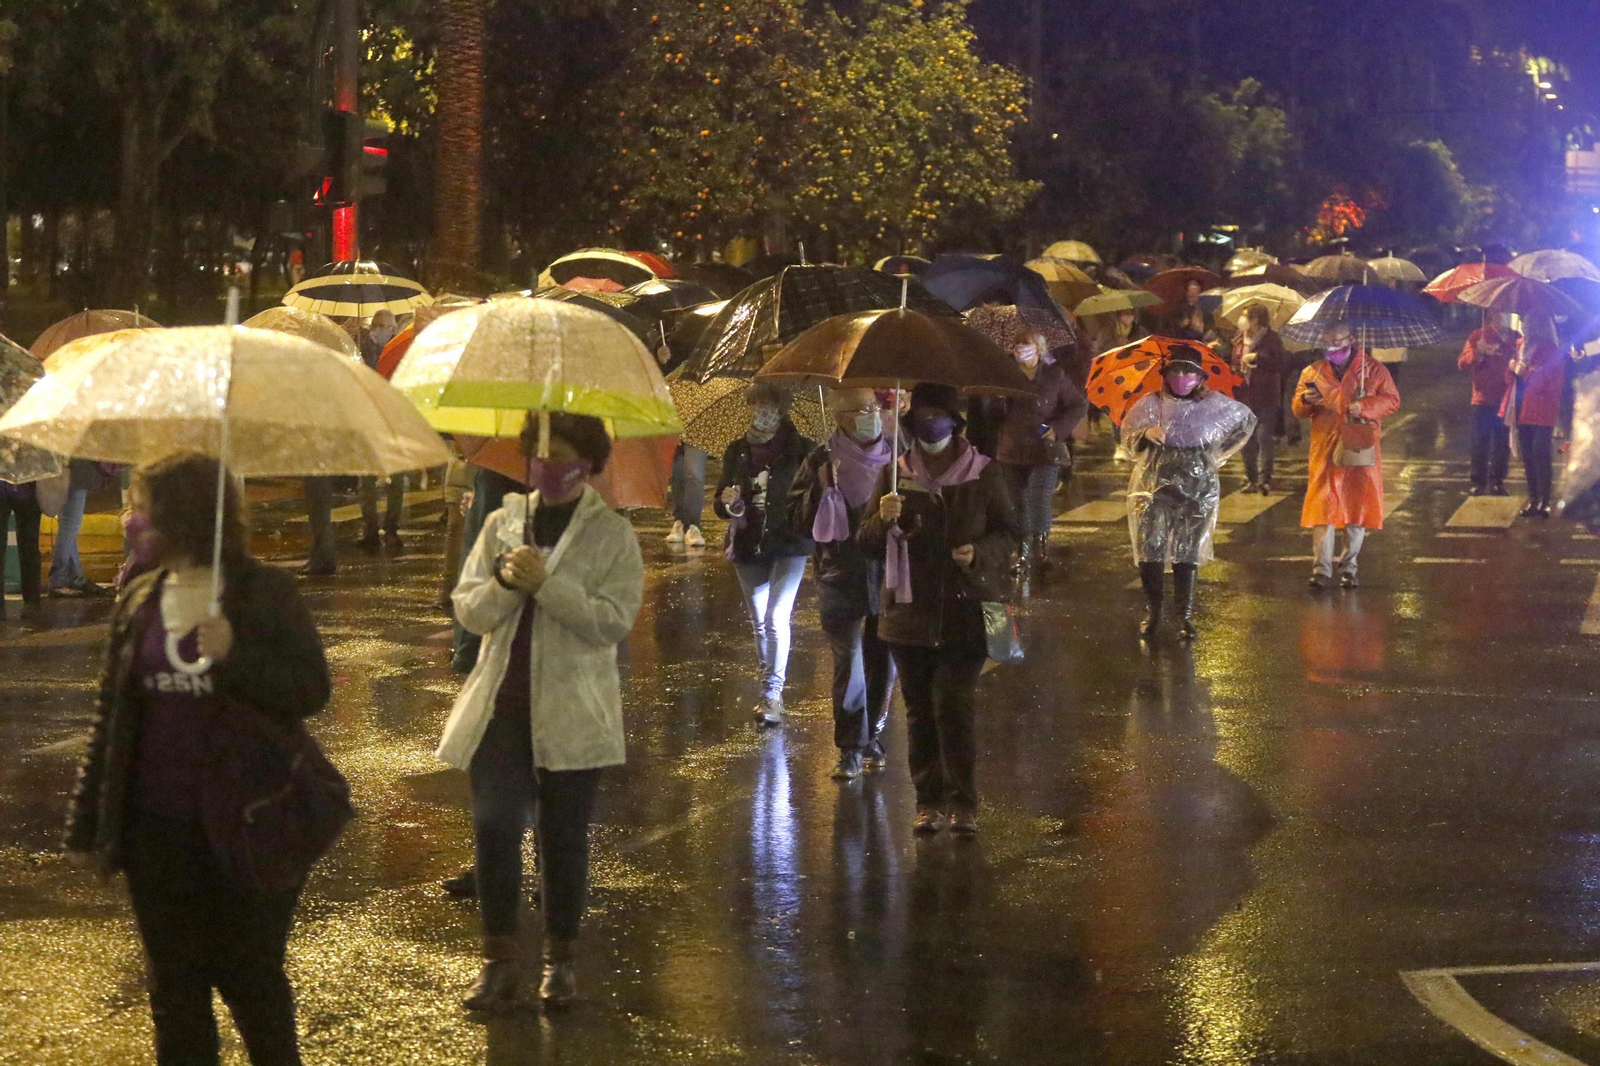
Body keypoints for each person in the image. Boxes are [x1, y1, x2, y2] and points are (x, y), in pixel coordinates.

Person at [64, 452, 331, 1066]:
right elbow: (113, 716)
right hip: (156, 833)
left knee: (251, 981)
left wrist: (236, 653)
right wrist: (89, 824)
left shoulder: (265, 592)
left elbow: (310, 689)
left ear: (182, 517)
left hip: (247, 823)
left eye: (143, 510)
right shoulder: (138, 598)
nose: (132, 521)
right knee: (175, 993)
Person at [438, 412, 643, 1011]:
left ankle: (561, 962)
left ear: (590, 463)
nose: (551, 468)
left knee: (564, 838)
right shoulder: (503, 522)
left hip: (573, 711)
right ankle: (498, 962)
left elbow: (611, 622)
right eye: (542, 455)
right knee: (494, 826)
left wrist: (546, 583)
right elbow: (469, 611)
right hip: (501, 709)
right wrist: (506, 580)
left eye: (567, 457)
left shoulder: (612, 535)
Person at [857, 384, 1020, 835]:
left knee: (953, 702)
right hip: (907, 613)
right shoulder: (895, 474)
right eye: (922, 415)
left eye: (939, 415)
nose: (931, 423)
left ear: (955, 422)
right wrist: (882, 518)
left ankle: (963, 802)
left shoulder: (984, 473)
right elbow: (866, 544)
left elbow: (1010, 531)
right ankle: (927, 801)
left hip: (966, 607)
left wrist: (978, 553)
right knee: (920, 709)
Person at [787, 388, 897, 780]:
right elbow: (798, 522)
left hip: (888, 576)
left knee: (882, 660)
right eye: (862, 409)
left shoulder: (896, 458)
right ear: (842, 417)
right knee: (848, 662)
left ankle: (874, 734)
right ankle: (850, 745)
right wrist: (821, 491)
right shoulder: (821, 459)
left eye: (875, 408)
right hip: (840, 576)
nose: (872, 415)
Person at [1124, 349, 1256, 639]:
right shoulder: (1151, 404)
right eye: (1176, 372)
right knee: (1151, 548)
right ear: (1165, 374)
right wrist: (1145, 434)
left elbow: (1245, 421)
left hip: (1198, 483)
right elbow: (1128, 436)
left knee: (1187, 551)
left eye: (1189, 372)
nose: (1182, 378)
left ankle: (1184, 615)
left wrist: (1216, 451)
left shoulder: (1213, 405)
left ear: (1200, 377)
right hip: (1155, 482)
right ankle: (1154, 611)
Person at [714, 382, 815, 727]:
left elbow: (811, 500)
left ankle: (772, 694)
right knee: (760, 621)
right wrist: (731, 503)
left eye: (768, 405)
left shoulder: (803, 450)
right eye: (755, 405)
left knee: (775, 618)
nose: (761, 411)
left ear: (781, 408)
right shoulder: (737, 450)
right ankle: (767, 690)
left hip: (789, 543)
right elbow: (720, 503)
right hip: (748, 544)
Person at [1293, 326, 1401, 590]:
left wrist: (1363, 407)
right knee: (1323, 507)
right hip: (1325, 447)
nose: (1331, 348)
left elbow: (1392, 400)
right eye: (1326, 342)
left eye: (1336, 341)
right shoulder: (1313, 371)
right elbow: (1297, 408)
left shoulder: (1374, 370)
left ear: (1351, 340)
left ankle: (1349, 566)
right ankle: (1321, 569)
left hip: (1358, 444)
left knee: (1356, 506)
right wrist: (1305, 400)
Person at [986, 329, 1087, 590]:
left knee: (1037, 498)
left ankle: (1040, 550)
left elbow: (1078, 404)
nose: (1021, 350)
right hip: (1011, 450)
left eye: (1027, 345)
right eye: (1018, 345)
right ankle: (1021, 551)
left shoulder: (1054, 375)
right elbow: (990, 414)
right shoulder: (1004, 374)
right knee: (1016, 502)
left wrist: (1058, 428)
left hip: (1044, 451)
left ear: (1039, 349)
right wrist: (996, 399)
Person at [1503, 314, 1564, 518]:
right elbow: (1509, 377)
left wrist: (1524, 372)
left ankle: (1544, 501)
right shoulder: (1521, 346)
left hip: (1541, 407)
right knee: (1527, 455)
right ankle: (1533, 498)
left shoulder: (1551, 350)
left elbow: (1548, 382)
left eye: (1528, 321)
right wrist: (1512, 369)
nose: (1525, 326)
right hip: (1521, 406)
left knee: (1540, 454)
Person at [1458, 313, 1518, 496]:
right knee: (1480, 442)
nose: (1503, 318)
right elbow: (1462, 362)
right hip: (1482, 398)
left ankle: (1497, 481)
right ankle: (1478, 481)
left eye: (1507, 313)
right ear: (1492, 315)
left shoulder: (1516, 338)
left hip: (1505, 399)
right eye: (1500, 313)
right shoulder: (1478, 336)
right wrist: (1479, 353)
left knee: (1502, 443)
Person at [1231, 306, 1287, 494]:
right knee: (1246, 439)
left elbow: (1279, 364)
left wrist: (1258, 357)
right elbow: (1234, 361)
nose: (1242, 319)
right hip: (1244, 395)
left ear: (1256, 319)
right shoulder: (1240, 337)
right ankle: (1251, 477)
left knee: (1264, 438)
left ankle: (1265, 479)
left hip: (1266, 396)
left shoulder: (1271, 339)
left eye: (1246, 315)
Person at [47, 458, 111, 597]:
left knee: (69, 526)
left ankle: (76, 577)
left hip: (67, 471)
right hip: (76, 472)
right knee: (70, 526)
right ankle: (58, 580)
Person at [0, 480, 42, 620]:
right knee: (29, 546)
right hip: (20, 488)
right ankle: (31, 601)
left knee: (30, 546)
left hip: (28, 489)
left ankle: (32, 600)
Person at [664, 443, 709, 549]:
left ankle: (693, 525)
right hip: (674, 431)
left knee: (694, 474)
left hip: (697, 431)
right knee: (677, 476)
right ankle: (680, 521)